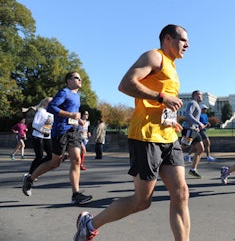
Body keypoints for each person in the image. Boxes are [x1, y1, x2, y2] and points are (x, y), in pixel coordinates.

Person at [73, 24, 190, 241]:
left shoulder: (172, 66)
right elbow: (125, 84)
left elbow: (160, 105)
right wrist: (163, 97)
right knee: (142, 201)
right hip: (146, 137)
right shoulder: (155, 57)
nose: (187, 44)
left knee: (181, 194)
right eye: (183, 40)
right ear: (167, 39)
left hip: (168, 137)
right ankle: (89, 224)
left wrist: (171, 121)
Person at [22, 71, 92, 205]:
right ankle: (30, 179)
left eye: (81, 78)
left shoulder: (77, 96)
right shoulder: (64, 92)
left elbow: (74, 116)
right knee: (55, 162)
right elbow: (51, 107)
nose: (80, 80)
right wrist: (70, 115)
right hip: (61, 132)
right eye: (77, 78)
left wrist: (79, 121)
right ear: (69, 80)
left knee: (77, 160)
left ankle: (75, 194)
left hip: (74, 131)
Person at [180, 90, 206, 178]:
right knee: (181, 149)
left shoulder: (197, 105)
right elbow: (188, 115)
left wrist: (197, 126)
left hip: (194, 131)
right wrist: (199, 123)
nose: (202, 96)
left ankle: (193, 170)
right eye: (200, 94)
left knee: (201, 149)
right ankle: (165, 166)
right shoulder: (192, 103)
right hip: (189, 130)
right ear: (196, 95)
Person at [28, 97, 54, 175]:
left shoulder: (51, 113)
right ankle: (31, 174)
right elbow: (34, 124)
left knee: (50, 155)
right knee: (39, 156)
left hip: (47, 136)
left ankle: (38, 169)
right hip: (38, 136)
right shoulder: (41, 111)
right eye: (50, 102)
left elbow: (51, 125)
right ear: (46, 103)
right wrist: (44, 123)